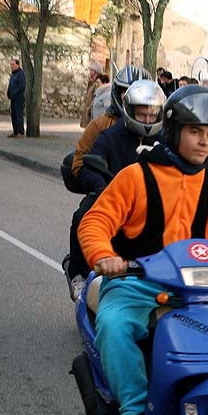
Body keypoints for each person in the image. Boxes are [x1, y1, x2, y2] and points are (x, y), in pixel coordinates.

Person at [78, 85, 208, 415]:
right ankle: (134, 412)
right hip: (137, 281)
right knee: (114, 325)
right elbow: (94, 221)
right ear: (174, 130)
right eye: (195, 132)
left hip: (198, 288)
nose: (204, 142)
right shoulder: (136, 176)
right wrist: (104, 256)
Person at [64, 79, 166, 301]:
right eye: (142, 115)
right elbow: (90, 164)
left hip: (154, 199)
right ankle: (78, 273)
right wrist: (103, 188)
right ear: (129, 111)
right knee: (83, 215)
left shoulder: (164, 140)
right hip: (115, 197)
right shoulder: (110, 135)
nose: (147, 120)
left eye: (152, 115)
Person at [80, 61, 103, 128]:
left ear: (95, 72)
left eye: (91, 70)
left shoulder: (97, 84)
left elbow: (96, 98)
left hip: (92, 114)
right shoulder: (91, 83)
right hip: (88, 113)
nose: (89, 72)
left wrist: (90, 109)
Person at [7, 57, 26, 137]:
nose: (11, 66)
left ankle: (20, 132)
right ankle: (15, 131)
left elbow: (22, 86)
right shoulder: (13, 74)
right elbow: (11, 85)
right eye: (10, 64)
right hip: (13, 98)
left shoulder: (21, 74)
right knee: (13, 115)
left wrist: (14, 93)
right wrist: (9, 93)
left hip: (19, 98)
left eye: (13, 64)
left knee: (19, 115)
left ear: (17, 65)